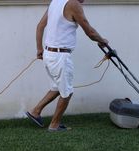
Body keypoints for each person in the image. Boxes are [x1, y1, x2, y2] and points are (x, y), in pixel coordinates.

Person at [26, 0, 108, 132]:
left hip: (49, 53)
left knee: (57, 87)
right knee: (67, 92)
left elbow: (40, 26)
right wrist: (102, 40)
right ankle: (54, 125)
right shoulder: (73, 4)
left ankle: (35, 111)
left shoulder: (56, 2)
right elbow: (90, 32)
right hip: (60, 56)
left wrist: (39, 49)